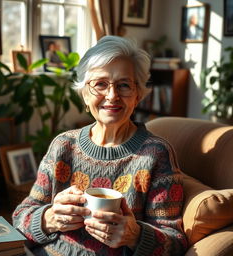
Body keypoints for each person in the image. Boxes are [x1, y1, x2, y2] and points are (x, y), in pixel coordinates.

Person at [12, 35, 187, 255]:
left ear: (138, 95)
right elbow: (20, 217)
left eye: (123, 85)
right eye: (100, 84)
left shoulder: (156, 154)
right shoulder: (63, 145)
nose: (112, 96)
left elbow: (176, 243)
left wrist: (135, 236)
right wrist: (49, 218)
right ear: (84, 94)